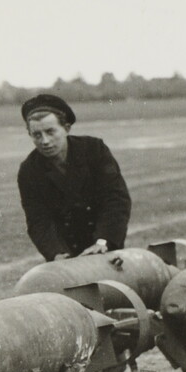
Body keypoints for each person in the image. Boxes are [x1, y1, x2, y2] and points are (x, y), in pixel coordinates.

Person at [15, 93, 132, 261]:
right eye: (37, 135)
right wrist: (56, 254)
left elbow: (116, 199)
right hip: (65, 254)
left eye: (50, 132)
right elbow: (38, 220)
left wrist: (103, 241)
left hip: (104, 247)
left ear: (66, 128)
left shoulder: (94, 150)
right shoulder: (29, 170)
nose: (45, 141)